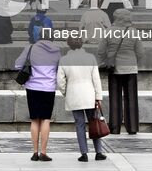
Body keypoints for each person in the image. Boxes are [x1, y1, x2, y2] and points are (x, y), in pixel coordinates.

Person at [55, 34, 107, 162]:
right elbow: (96, 79)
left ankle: (84, 153)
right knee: (94, 123)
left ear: (69, 45)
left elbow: (60, 81)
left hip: (74, 95)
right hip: (90, 94)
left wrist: (66, 92)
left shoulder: (64, 60)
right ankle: (98, 152)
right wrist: (98, 96)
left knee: (79, 125)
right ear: (82, 43)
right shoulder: (90, 58)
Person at [16, 32, 62, 161]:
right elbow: (60, 69)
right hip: (49, 88)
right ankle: (44, 152)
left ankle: (34, 152)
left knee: (35, 119)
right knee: (46, 119)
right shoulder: (57, 50)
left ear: (38, 37)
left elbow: (18, 65)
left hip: (33, 88)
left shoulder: (30, 48)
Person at [98, 7, 142, 135]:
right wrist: (133, 61)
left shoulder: (109, 31)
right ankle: (132, 127)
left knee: (115, 98)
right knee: (132, 98)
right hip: (131, 68)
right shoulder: (133, 31)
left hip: (114, 68)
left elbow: (101, 51)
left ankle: (115, 127)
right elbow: (140, 52)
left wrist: (104, 61)